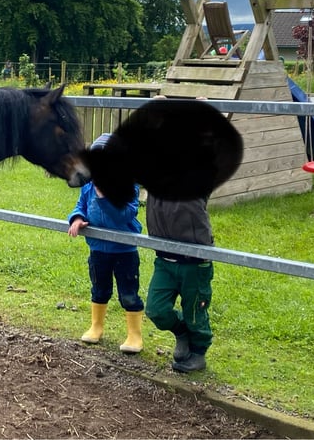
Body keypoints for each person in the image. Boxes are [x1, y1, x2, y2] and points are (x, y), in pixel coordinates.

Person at [144, 97, 215, 373]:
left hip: (194, 258)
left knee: (196, 311)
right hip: (164, 257)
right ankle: (181, 332)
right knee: (156, 309)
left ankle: (199, 351)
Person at [67, 133, 144, 353]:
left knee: (128, 292)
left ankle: (134, 335)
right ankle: (96, 327)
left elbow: (124, 215)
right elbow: (80, 205)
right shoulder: (89, 187)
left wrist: (104, 198)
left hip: (124, 251)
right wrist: (77, 218)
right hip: (98, 249)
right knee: (99, 289)